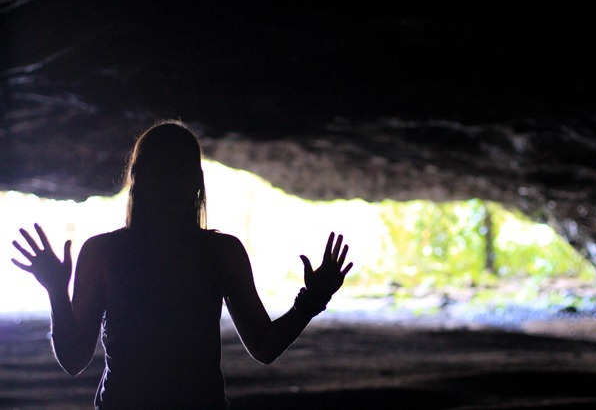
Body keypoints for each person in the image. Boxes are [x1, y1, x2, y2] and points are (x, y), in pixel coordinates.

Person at [10, 120, 353, 409]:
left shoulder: (109, 252)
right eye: (163, 172)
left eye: (176, 172)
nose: (169, 183)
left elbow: (73, 360)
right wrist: (55, 289)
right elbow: (264, 347)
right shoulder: (217, 251)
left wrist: (312, 300)